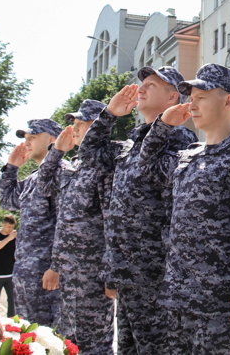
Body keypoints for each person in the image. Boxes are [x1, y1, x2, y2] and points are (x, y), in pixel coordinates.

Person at [139, 63, 230, 354]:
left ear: (229, 100)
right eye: (190, 97)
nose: (192, 104)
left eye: (201, 97)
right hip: (177, 302)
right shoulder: (187, 156)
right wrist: (163, 126)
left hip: (222, 307)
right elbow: (145, 168)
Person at [78, 67, 197, 354]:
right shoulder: (130, 145)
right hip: (127, 274)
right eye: (141, 84)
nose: (141, 89)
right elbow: (88, 154)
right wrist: (109, 114)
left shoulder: (179, 141)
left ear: (173, 97)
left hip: (156, 276)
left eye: (151, 85)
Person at [34, 99, 121, 354]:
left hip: (93, 274)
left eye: (81, 123)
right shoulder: (75, 167)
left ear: (97, 126)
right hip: (70, 273)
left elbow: (112, 221)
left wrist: (110, 273)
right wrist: (57, 152)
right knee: (68, 341)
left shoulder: (105, 166)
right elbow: (44, 187)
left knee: (94, 344)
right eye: (74, 122)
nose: (75, 128)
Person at [0, 119, 63, 327]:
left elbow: (68, 222)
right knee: (28, 336)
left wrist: (57, 266)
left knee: (49, 338)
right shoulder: (34, 179)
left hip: (47, 275)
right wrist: (11, 168)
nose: (27, 142)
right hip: (25, 273)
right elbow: (7, 201)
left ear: (52, 140)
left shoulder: (61, 173)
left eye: (33, 137)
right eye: (26, 138)